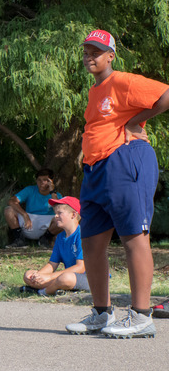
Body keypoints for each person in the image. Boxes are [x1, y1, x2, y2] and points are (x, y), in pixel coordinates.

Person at [65, 30, 169, 339]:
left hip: (126, 158)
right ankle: (101, 313)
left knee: (133, 237)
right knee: (91, 242)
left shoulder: (122, 81)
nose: (90, 56)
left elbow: (165, 95)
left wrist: (137, 120)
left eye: (96, 51)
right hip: (96, 169)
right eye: (86, 51)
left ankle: (140, 316)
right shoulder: (95, 90)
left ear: (111, 55)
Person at [21, 196, 87, 296]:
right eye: (55, 213)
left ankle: (42, 292)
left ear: (73, 215)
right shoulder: (60, 237)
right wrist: (38, 275)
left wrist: (50, 277)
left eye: (59, 213)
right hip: (67, 276)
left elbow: (80, 267)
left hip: (90, 278)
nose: (55, 216)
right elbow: (52, 264)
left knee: (65, 279)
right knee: (28, 275)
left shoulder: (82, 235)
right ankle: (55, 288)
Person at [4, 168, 63, 248]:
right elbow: (12, 201)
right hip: (29, 222)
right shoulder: (30, 189)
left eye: (45, 180)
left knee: (63, 216)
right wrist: (25, 215)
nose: (42, 183)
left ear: (51, 181)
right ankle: (19, 240)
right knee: (9, 210)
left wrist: (52, 191)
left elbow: (59, 210)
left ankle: (44, 240)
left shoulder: (56, 195)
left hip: (46, 226)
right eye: (39, 180)